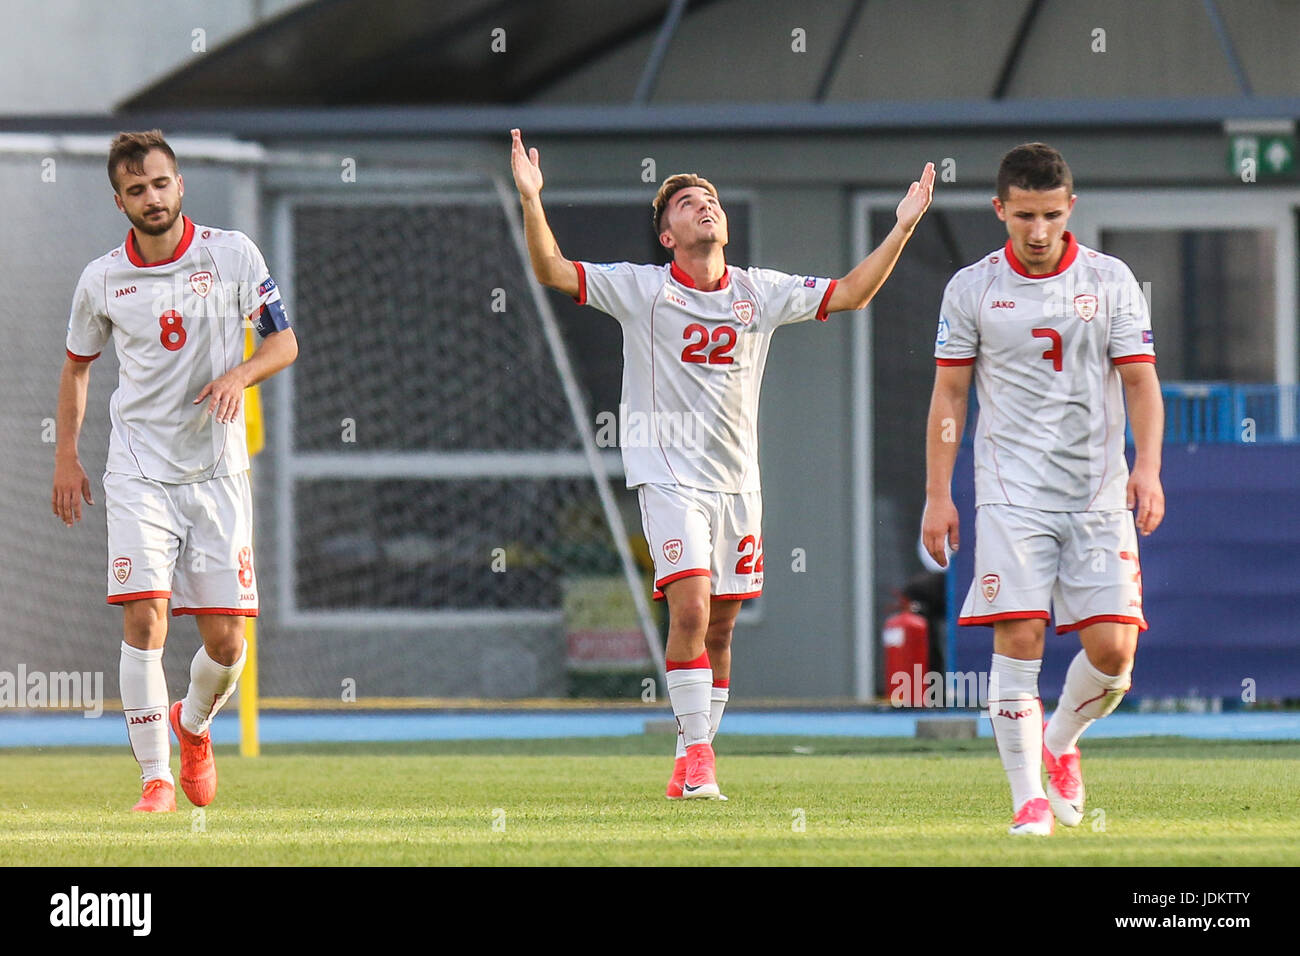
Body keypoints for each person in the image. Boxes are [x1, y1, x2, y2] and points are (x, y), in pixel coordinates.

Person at [511, 128, 934, 798]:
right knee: (690, 608)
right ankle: (700, 755)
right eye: (684, 203)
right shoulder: (641, 289)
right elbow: (552, 270)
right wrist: (533, 201)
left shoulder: (758, 291)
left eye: (708, 198)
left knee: (721, 625)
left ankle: (690, 755)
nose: (701, 205)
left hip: (739, 483)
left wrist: (904, 227)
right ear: (668, 235)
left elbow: (852, 292)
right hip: (668, 476)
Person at [52, 130, 298, 812]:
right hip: (138, 471)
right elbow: (76, 367)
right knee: (145, 621)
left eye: (160, 184)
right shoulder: (102, 278)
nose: (151, 198)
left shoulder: (231, 255)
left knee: (227, 642)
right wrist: (66, 455)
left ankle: (194, 727)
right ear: (119, 200)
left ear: (179, 184)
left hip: (215, 472)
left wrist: (240, 375)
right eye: (136, 190)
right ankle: (154, 778)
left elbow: (284, 340)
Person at [922, 143, 1164, 835]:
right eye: (1023, 215)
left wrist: (1147, 468)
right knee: (1020, 633)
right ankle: (1027, 800)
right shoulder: (971, 287)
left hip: (1097, 491)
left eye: (1050, 216)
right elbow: (950, 392)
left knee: (1115, 656)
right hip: (1009, 490)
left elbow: (1142, 382)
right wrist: (940, 493)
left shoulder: (1110, 279)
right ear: (999, 209)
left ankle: (1059, 743)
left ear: (1070, 210)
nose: (1037, 231)